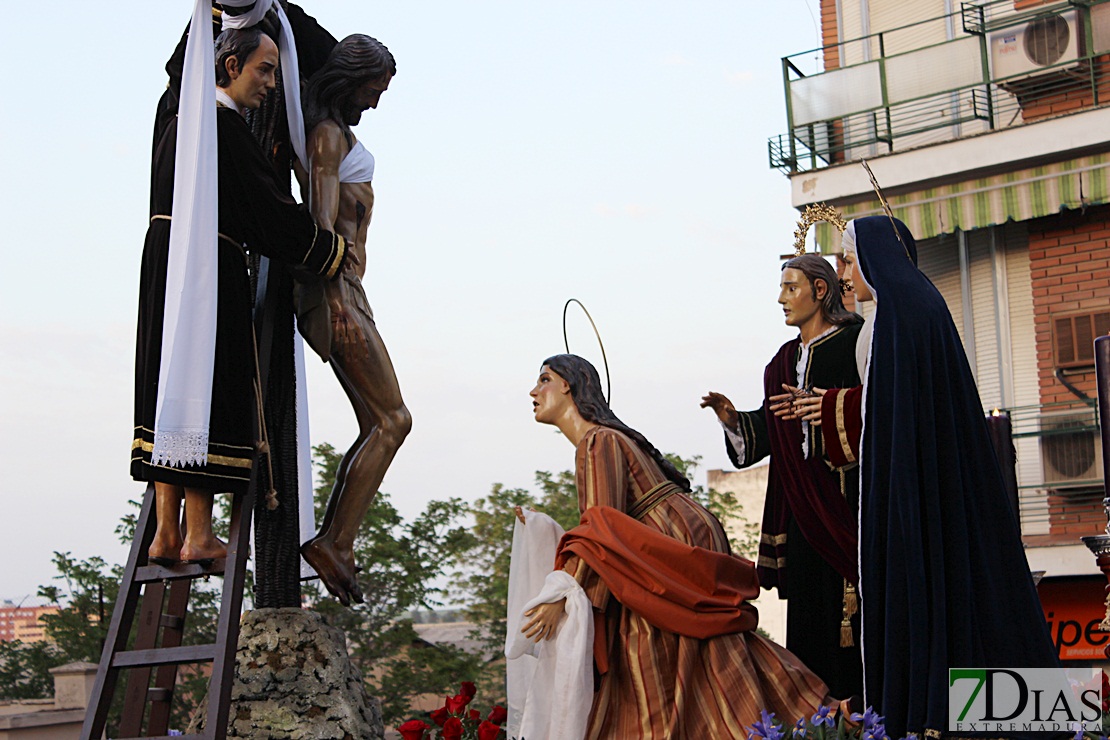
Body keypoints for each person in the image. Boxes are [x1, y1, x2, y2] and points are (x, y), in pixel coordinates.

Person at [795, 215, 1060, 739]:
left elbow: (893, 425)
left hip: (914, 494)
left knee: (928, 601)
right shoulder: (913, 310)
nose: (844, 273)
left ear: (877, 257)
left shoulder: (894, 321)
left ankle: (925, 716)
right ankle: (992, 715)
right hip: (931, 490)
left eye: (848, 259)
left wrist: (894, 503)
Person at [524, 354, 836, 739]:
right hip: (674, 536)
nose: (534, 391)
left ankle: (753, 723)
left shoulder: (597, 441)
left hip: (668, 543)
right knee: (707, 642)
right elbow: (601, 528)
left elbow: (602, 527)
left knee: (650, 645)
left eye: (544, 380)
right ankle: (789, 719)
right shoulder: (604, 439)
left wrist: (565, 595)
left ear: (568, 385)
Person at [133, 26, 350, 566]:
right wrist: (331, 249)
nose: (273, 84)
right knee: (208, 384)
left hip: (164, 269)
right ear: (231, 67)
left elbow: (178, 68)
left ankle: (166, 533)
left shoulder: (175, 115)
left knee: (170, 390)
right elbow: (269, 209)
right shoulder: (223, 127)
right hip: (209, 266)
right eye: (266, 69)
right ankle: (200, 535)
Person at [699, 253, 864, 697]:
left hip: (852, 506)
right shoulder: (782, 362)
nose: (781, 299)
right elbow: (774, 432)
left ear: (821, 290)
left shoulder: (858, 343)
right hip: (803, 515)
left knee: (855, 626)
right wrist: (734, 420)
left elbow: (882, 406)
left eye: (791, 288)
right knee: (809, 622)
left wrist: (830, 406)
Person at [295, 35, 411, 606]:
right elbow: (320, 228)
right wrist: (334, 300)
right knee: (393, 420)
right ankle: (335, 542)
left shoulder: (336, 132)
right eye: (374, 88)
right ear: (352, 79)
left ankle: (337, 540)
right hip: (336, 290)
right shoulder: (328, 137)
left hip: (348, 288)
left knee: (379, 420)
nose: (377, 100)